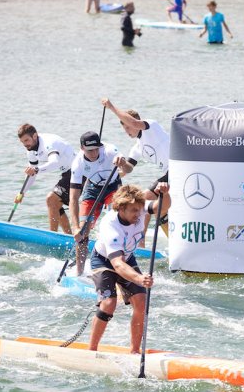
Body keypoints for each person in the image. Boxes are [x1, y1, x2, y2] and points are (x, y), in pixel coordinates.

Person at [88, 183, 171, 353]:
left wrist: (164, 193)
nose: (138, 214)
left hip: (127, 257)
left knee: (141, 301)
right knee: (109, 303)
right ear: (121, 209)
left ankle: (134, 351)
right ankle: (92, 350)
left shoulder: (139, 209)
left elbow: (163, 206)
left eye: (139, 210)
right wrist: (140, 278)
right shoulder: (110, 225)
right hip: (104, 261)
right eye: (133, 211)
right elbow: (117, 264)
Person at [101, 98, 170, 247]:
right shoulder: (137, 147)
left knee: (143, 199)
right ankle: (168, 240)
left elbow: (134, 123)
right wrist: (120, 166)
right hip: (168, 174)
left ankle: (140, 243)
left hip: (177, 167)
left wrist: (112, 107)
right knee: (158, 209)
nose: (127, 131)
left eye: (128, 127)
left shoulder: (151, 126)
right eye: (124, 129)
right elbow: (128, 169)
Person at [69, 131, 130, 276]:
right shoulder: (77, 163)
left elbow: (129, 169)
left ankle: (119, 268)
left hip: (113, 186)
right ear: (82, 148)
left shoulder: (110, 151)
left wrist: (123, 163)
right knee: (83, 231)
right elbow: (73, 198)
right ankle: (79, 272)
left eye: (96, 148)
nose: (94, 153)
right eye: (90, 150)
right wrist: (75, 227)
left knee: (115, 224)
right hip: (93, 188)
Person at [15, 124, 76, 233]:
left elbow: (54, 162)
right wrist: (22, 192)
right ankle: (69, 237)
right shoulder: (31, 150)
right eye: (22, 142)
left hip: (78, 171)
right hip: (67, 173)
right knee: (55, 204)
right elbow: (31, 173)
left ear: (34, 136)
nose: (25, 144)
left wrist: (36, 170)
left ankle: (52, 236)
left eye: (26, 140)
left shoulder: (48, 143)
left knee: (51, 199)